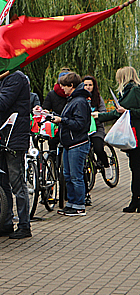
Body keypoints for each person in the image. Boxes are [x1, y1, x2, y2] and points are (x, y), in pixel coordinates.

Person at [0, 69, 33, 238]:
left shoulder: (15, 77)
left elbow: (2, 104)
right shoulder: (4, 78)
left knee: (17, 182)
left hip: (14, 138)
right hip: (2, 137)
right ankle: (5, 222)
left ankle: (24, 225)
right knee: (0, 182)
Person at [99, 66, 140, 212]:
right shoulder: (129, 91)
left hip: (137, 136)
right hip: (134, 136)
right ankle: (136, 200)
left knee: (136, 169)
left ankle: (136, 201)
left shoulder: (135, 90)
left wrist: (127, 111)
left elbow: (126, 112)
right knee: (135, 169)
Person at [50, 72, 91, 216]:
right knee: (68, 174)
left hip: (77, 143)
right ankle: (72, 203)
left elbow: (80, 123)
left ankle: (79, 205)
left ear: (71, 86)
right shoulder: (73, 99)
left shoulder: (79, 101)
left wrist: (62, 121)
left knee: (76, 175)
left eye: (64, 87)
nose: (62, 89)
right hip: (69, 143)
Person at [83, 75, 111, 194]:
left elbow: (104, 112)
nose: (88, 87)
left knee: (99, 148)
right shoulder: (80, 98)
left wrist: (98, 114)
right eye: (85, 85)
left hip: (97, 128)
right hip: (84, 129)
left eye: (90, 85)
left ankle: (106, 165)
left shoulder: (97, 98)